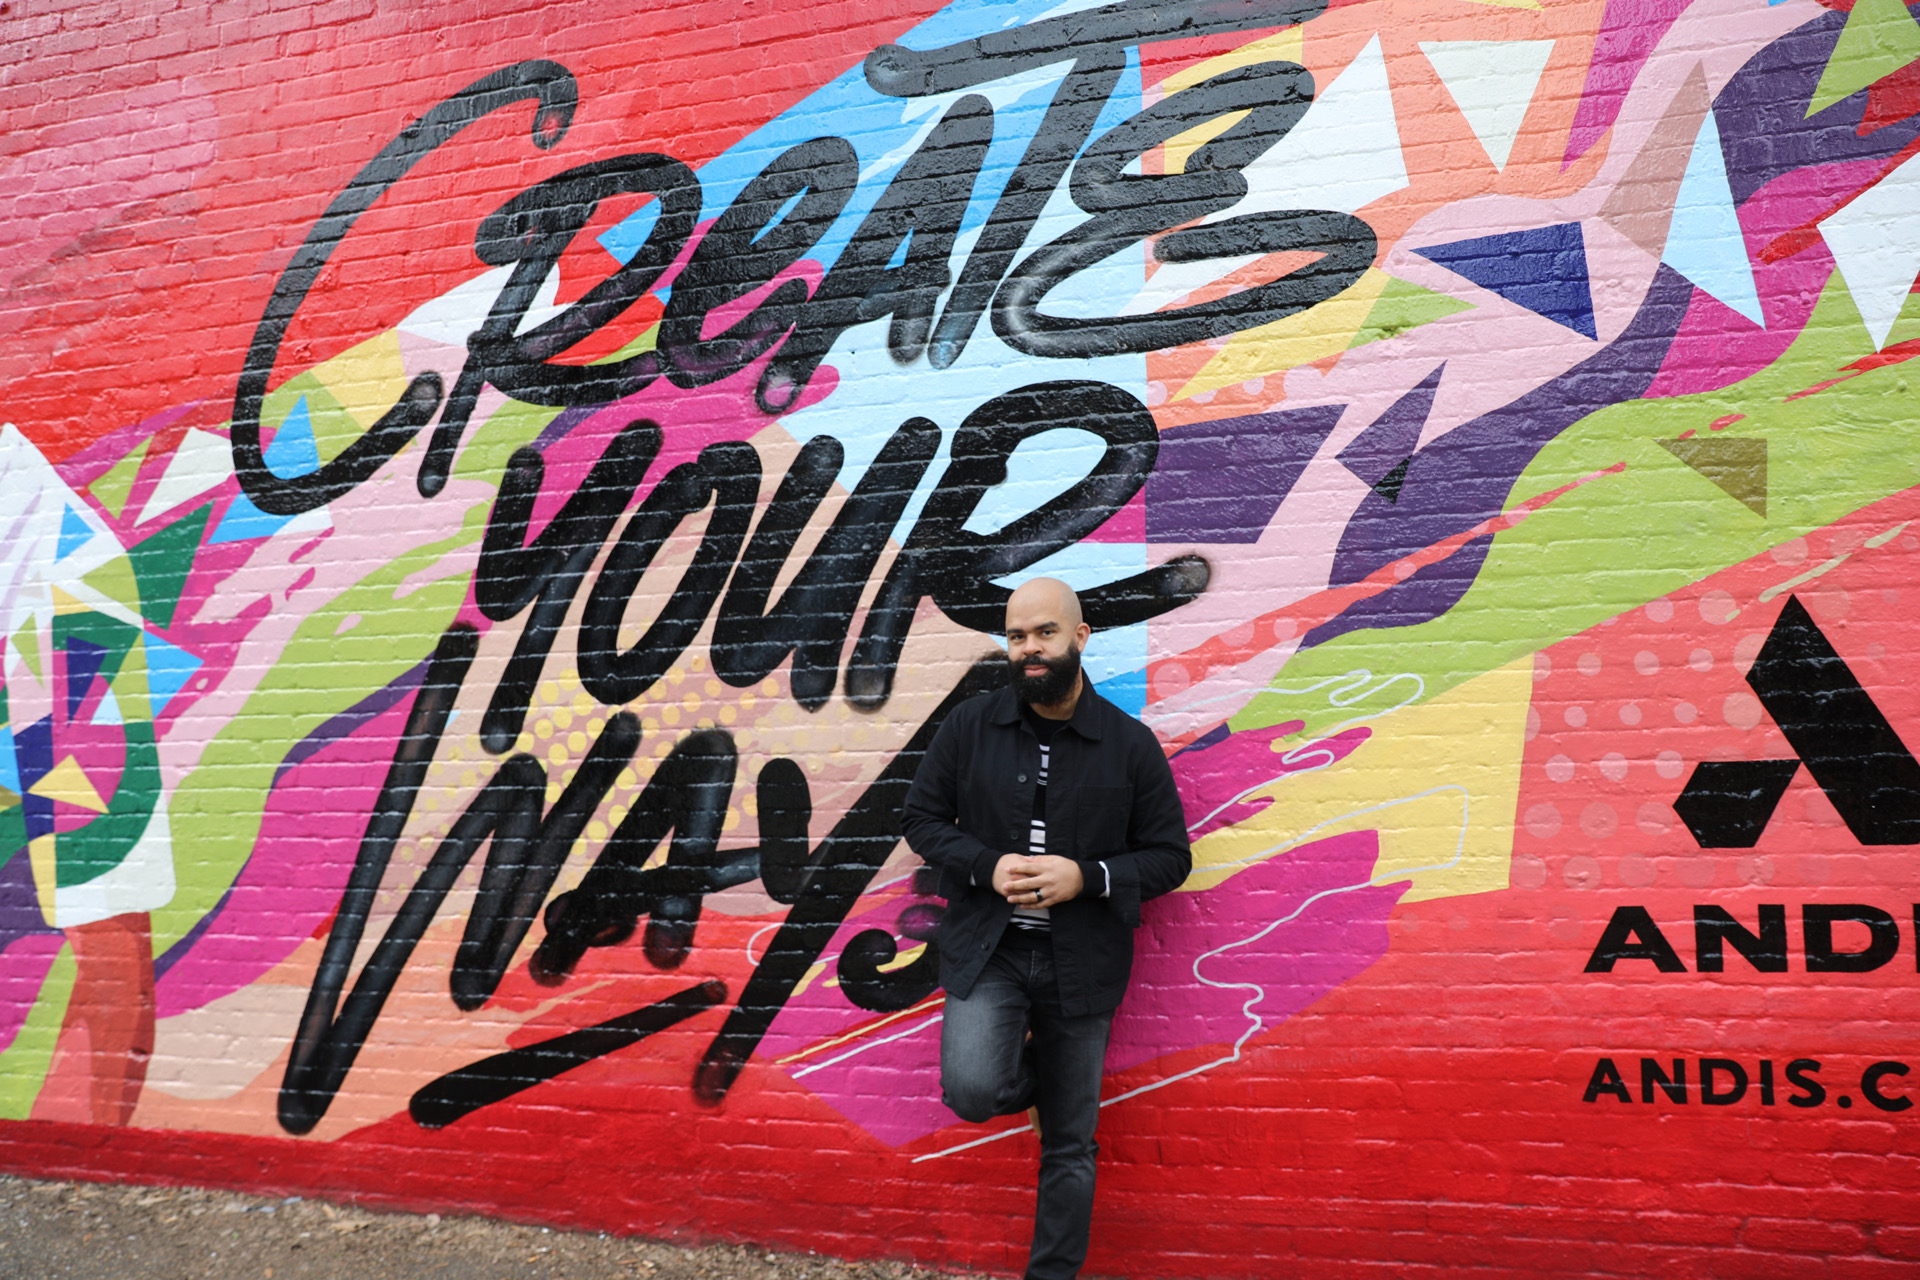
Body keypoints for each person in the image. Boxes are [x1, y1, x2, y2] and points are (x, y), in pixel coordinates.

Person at [901, 576, 1192, 1280]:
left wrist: (1086, 877)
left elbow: (1171, 857)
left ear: (1080, 637)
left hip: (1083, 965)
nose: (1030, 648)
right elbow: (920, 820)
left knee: (1069, 1142)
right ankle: (1036, 1078)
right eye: (1018, 635)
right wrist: (986, 865)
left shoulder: (1129, 746)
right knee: (972, 1089)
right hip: (990, 952)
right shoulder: (970, 726)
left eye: (1045, 633)